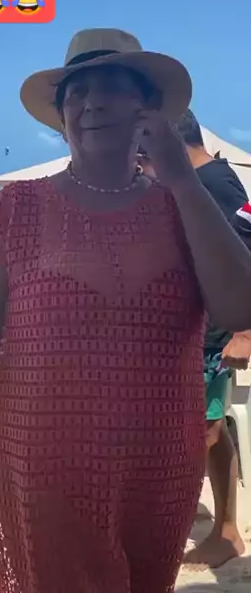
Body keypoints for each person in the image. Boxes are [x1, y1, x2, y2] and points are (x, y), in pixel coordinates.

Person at [0, 28, 251, 593]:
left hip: (162, 474)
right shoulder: (13, 213)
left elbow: (240, 306)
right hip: (43, 473)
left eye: (112, 86)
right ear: (62, 115)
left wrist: (184, 183)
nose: (91, 102)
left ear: (148, 107)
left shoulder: (184, 209)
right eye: (76, 91)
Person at [174, 110, 250, 568]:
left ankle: (224, 532)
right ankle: (224, 530)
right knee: (209, 429)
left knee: (200, 432)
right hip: (200, 329)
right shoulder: (198, 181)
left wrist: (244, 331)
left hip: (215, 333)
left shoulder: (217, 183)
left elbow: (246, 255)